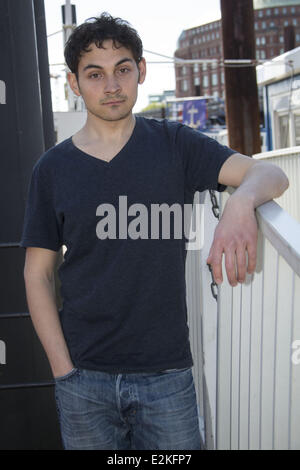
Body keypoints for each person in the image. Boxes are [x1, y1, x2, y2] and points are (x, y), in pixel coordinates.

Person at [20, 12, 289, 451]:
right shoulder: (51, 170)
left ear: (141, 71)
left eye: (122, 69)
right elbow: (38, 273)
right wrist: (63, 371)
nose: (111, 86)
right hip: (84, 378)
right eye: (95, 74)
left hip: (166, 376)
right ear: (74, 83)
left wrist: (240, 203)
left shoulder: (175, 144)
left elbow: (269, 174)